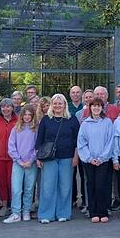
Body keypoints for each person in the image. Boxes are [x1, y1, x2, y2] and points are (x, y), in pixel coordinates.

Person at [36, 94, 81, 223]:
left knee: (65, 186)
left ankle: (63, 213)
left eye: (60, 103)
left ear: (65, 105)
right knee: (48, 186)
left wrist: (75, 156)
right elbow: (39, 139)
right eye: (55, 103)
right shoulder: (46, 120)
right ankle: (46, 214)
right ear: (51, 105)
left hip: (67, 157)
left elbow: (77, 140)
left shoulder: (72, 119)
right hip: (49, 158)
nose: (57, 106)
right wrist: (38, 157)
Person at [78, 98, 115, 223]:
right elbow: (81, 142)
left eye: (99, 106)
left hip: (103, 161)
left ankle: (102, 211)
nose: (96, 108)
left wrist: (102, 158)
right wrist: (89, 158)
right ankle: (93, 211)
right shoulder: (85, 123)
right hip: (89, 161)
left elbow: (110, 142)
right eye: (94, 106)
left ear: (102, 108)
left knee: (101, 185)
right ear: (90, 108)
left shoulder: (107, 122)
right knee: (91, 185)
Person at [5, 105, 39, 223]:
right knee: (16, 188)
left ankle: (26, 211)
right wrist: (19, 160)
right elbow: (11, 146)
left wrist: (31, 160)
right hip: (18, 163)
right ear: (22, 115)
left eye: (30, 115)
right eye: (25, 114)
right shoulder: (16, 129)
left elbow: (37, 146)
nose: (27, 117)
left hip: (31, 163)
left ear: (33, 116)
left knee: (29, 189)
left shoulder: (36, 129)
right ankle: (16, 213)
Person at [0, 98, 18, 218]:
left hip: (14, 158)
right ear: (0, 109)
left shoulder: (17, 120)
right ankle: (4, 205)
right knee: (2, 182)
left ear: (12, 108)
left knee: (13, 182)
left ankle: (14, 205)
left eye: (8, 106)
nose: (6, 109)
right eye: (3, 107)